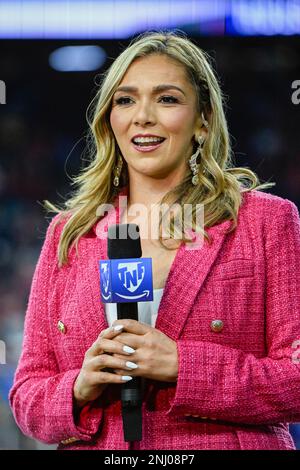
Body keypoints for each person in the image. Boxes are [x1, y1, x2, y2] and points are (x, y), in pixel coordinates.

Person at [9, 30, 300, 450]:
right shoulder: (71, 233)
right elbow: (27, 396)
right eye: (125, 100)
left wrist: (185, 366)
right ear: (110, 118)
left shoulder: (264, 222)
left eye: (167, 99)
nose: (142, 116)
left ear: (203, 121)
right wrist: (78, 386)